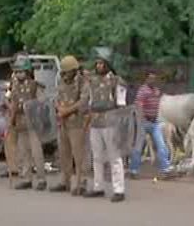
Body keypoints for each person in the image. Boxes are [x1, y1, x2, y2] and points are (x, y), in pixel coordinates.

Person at [83, 50, 128, 202]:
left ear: (108, 65)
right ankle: (98, 186)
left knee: (114, 156)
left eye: (102, 63)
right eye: (97, 63)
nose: (99, 66)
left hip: (111, 122)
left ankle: (119, 189)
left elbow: (121, 105)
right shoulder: (91, 81)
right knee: (97, 157)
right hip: (95, 122)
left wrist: (120, 126)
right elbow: (89, 102)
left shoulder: (117, 81)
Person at [51, 56, 90, 195]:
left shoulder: (82, 82)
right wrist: (59, 108)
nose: (65, 74)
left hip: (77, 122)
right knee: (64, 153)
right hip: (63, 122)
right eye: (64, 71)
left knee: (79, 155)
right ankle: (65, 181)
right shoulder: (62, 80)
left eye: (68, 71)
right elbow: (56, 96)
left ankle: (82, 182)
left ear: (74, 70)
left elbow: (83, 101)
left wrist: (67, 110)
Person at [7, 57, 47, 190]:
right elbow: (12, 103)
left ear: (27, 71)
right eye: (17, 72)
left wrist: (29, 105)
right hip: (20, 122)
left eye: (21, 71)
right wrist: (11, 119)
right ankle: (27, 178)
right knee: (23, 152)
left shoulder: (35, 85)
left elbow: (42, 102)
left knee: (36, 152)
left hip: (33, 123)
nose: (19, 74)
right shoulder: (14, 86)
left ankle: (41, 179)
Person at [128, 70, 174, 180]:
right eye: (150, 78)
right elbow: (138, 105)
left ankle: (165, 169)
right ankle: (133, 170)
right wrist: (142, 118)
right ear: (146, 79)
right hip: (144, 122)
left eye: (154, 78)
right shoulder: (142, 91)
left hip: (154, 121)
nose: (153, 80)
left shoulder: (156, 91)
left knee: (161, 145)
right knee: (138, 147)